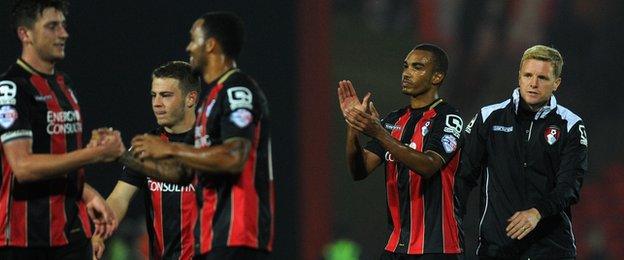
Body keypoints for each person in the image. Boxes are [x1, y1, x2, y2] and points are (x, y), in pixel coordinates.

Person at [114, 12, 273, 260]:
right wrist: (121, 156)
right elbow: (182, 173)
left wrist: (172, 149)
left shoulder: (237, 90)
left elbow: (234, 157)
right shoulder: (211, 100)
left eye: (193, 39)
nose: (189, 46)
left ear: (210, 45)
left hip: (238, 235)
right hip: (214, 239)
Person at [0, 0, 123, 259]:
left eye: (63, 26)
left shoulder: (63, 84)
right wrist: (94, 155)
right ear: (25, 34)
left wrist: (87, 193)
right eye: (52, 26)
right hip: (25, 241)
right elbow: (23, 166)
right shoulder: (12, 88)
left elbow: (58, 156)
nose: (63, 33)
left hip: (71, 233)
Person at [457, 45, 588, 259]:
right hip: (497, 248)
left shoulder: (570, 125)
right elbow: (463, 176)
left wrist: (537, 212)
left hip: (551, 248)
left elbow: (570, 186)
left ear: (557, 83)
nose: (533, 83)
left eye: (543, 78)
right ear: (519, 77)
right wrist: (452, 223)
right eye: (528, 75)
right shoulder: (489, 117)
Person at [338, 43, 463, 259]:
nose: (406, 73)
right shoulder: (393, 121)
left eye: (417, 67)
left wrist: (379, 133)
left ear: (437, 77)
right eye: (406, 67)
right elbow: (359, 171)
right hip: (396, 247)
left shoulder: (448, 118)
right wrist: (353, 126)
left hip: (437, 248)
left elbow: (429, 165)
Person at [90, 61, 200, 259]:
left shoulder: (213, 146)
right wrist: (99, 234)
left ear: (190, 98)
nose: (157, 103)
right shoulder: (144, 148)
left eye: (166, 95)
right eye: (153, 95)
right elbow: (119, 198)